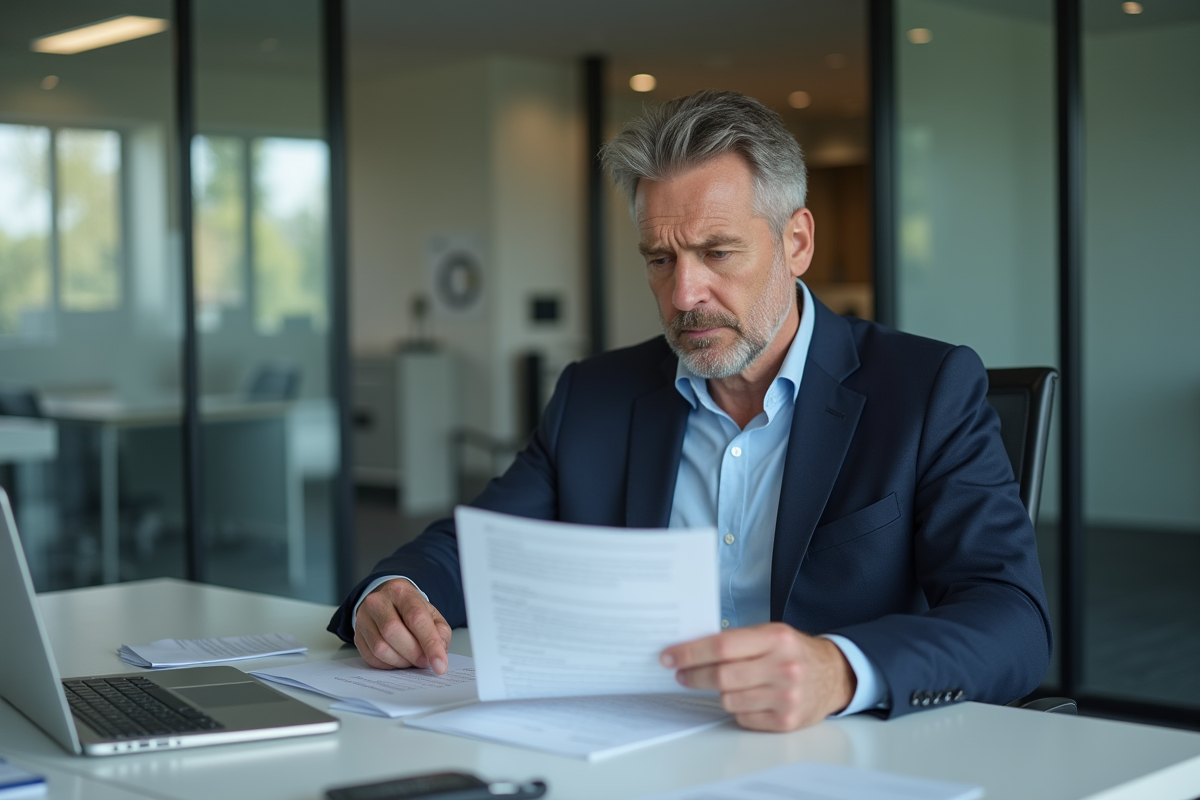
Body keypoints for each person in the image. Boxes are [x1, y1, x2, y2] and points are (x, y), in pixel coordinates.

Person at [328, 90, 1051, 732]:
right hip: (625, 748)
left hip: (832, 752)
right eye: (660, 259)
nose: (683, 295)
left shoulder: (924, 389)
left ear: (795, 242)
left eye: (717, 252)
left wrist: (840, 670)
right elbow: (478, 544)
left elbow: (1011, 619)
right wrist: (397, 592)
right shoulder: (596, 396)